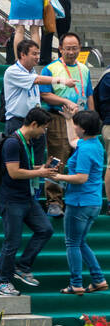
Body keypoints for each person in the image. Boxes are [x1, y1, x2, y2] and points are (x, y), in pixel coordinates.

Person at [0, 106, 56, 296]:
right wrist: (40, 172)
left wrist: (42, 167)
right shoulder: (13, 142)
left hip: (26, 198)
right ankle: (1, 282)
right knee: (12, 241)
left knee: (45, 229)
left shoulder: (27, 141)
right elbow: (14, 172)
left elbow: (25, 166)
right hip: (11, 200)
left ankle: (22, 267)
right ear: (34, 124)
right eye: (43, 128)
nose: (44, 132)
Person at [50, 110, 109, 294]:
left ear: (83, 128)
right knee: (80, 242)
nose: (74, 127)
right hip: (93, 201)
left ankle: (76, 283)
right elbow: (73, 141)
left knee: (72, 243)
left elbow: (81, 178)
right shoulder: (94, 144)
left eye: (76, 124)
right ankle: (98, 279)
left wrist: (58, 176)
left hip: (79, 202)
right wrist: (68, 120)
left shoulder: (85, 149)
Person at [39, 32, 92, 217]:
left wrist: (91, 117)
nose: (71, 52)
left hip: (81, 120)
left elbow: (89, 93)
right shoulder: (50, 69)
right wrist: (65, 101)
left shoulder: (84, 69)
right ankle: (54, 200)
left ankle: (75, 199)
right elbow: (45, 95)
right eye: (67, 48)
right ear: (60, 49)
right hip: (58, 118)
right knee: (57, 158)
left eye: (75, 48)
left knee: (80, 158)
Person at [2, 40, 71, 135]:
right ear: (22, 55)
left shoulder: (32, 71)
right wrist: (62, 80)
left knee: (38, 149)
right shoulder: (13, 71)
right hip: (17, 122)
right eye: (34, 54)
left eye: (38, 54)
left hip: (35, 121)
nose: (37, 57)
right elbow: (37, 80)